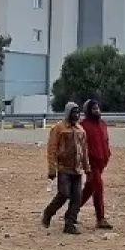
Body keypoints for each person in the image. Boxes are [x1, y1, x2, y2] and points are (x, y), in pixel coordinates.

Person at [42, 104, 91, 234]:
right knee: (64, 194)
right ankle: (48, 212)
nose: (76, 115)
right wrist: (52, 170)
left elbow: (84, 151)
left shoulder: (81, 130)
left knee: (77, 197)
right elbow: (52, 150)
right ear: (68, 113)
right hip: (64, 168)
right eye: (73, 112)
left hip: (77, 169)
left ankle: (70, 223)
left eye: (78, 112)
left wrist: (87, 168)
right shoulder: (58, 129)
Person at [79, 98, 113, 230]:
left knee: (89, 189)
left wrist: (108, 154)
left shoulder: (103, 124)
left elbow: (105, 140)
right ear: (88, 111)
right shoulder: (83, 125)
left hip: (102, 162)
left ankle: (72, 211)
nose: (97, 110)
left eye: (97, 108)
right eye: (93, 109)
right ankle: (100, 218)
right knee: (98, 187)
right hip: (91, 163)